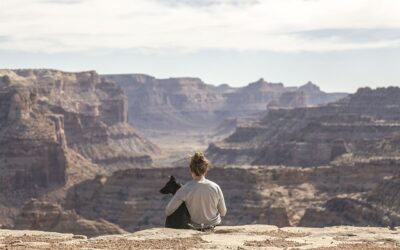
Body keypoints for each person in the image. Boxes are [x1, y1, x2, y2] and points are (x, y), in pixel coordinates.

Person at [165, 152, 227, 229]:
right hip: (214, 226)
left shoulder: (184, 189)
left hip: (196, 227)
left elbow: (168, 211)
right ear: (206, 170)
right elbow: (223, 212)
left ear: (191, 170)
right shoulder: (216, 187)